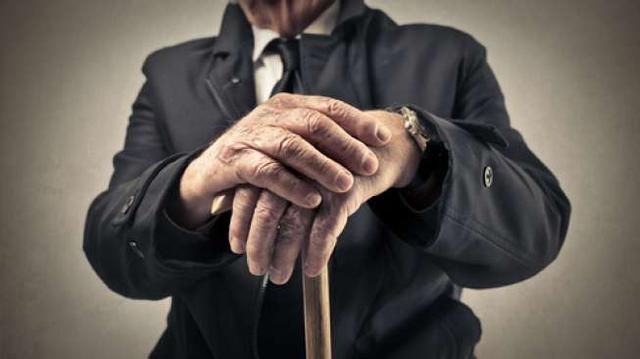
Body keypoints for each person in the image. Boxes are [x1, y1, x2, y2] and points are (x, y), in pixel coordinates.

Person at [83, 0, 571, 358]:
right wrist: (196, 182)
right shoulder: (168, 73)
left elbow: (534, 233)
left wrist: (414, 148)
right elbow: (114, 253)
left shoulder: (447, 55)